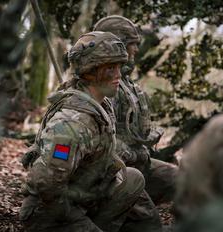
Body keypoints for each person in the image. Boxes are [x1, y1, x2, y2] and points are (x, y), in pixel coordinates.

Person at [19, 31, 148, 232]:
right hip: (50, 215)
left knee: (132, 178)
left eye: (119, 67)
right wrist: (73, 216)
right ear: (89, 72)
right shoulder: (71, 126)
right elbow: (45, 184)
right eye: (110, 69)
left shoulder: (99, 105)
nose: (118, 75)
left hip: (79, 197)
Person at [93, 15, 178, 204]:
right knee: (149, 221)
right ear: (120, 45)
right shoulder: (103, 86)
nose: (137, 49)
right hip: (115, 172)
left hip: (139, 164)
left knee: (183, 180)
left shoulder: (126, 83)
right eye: (133, 43)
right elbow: (101, 141)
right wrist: (136, 153)